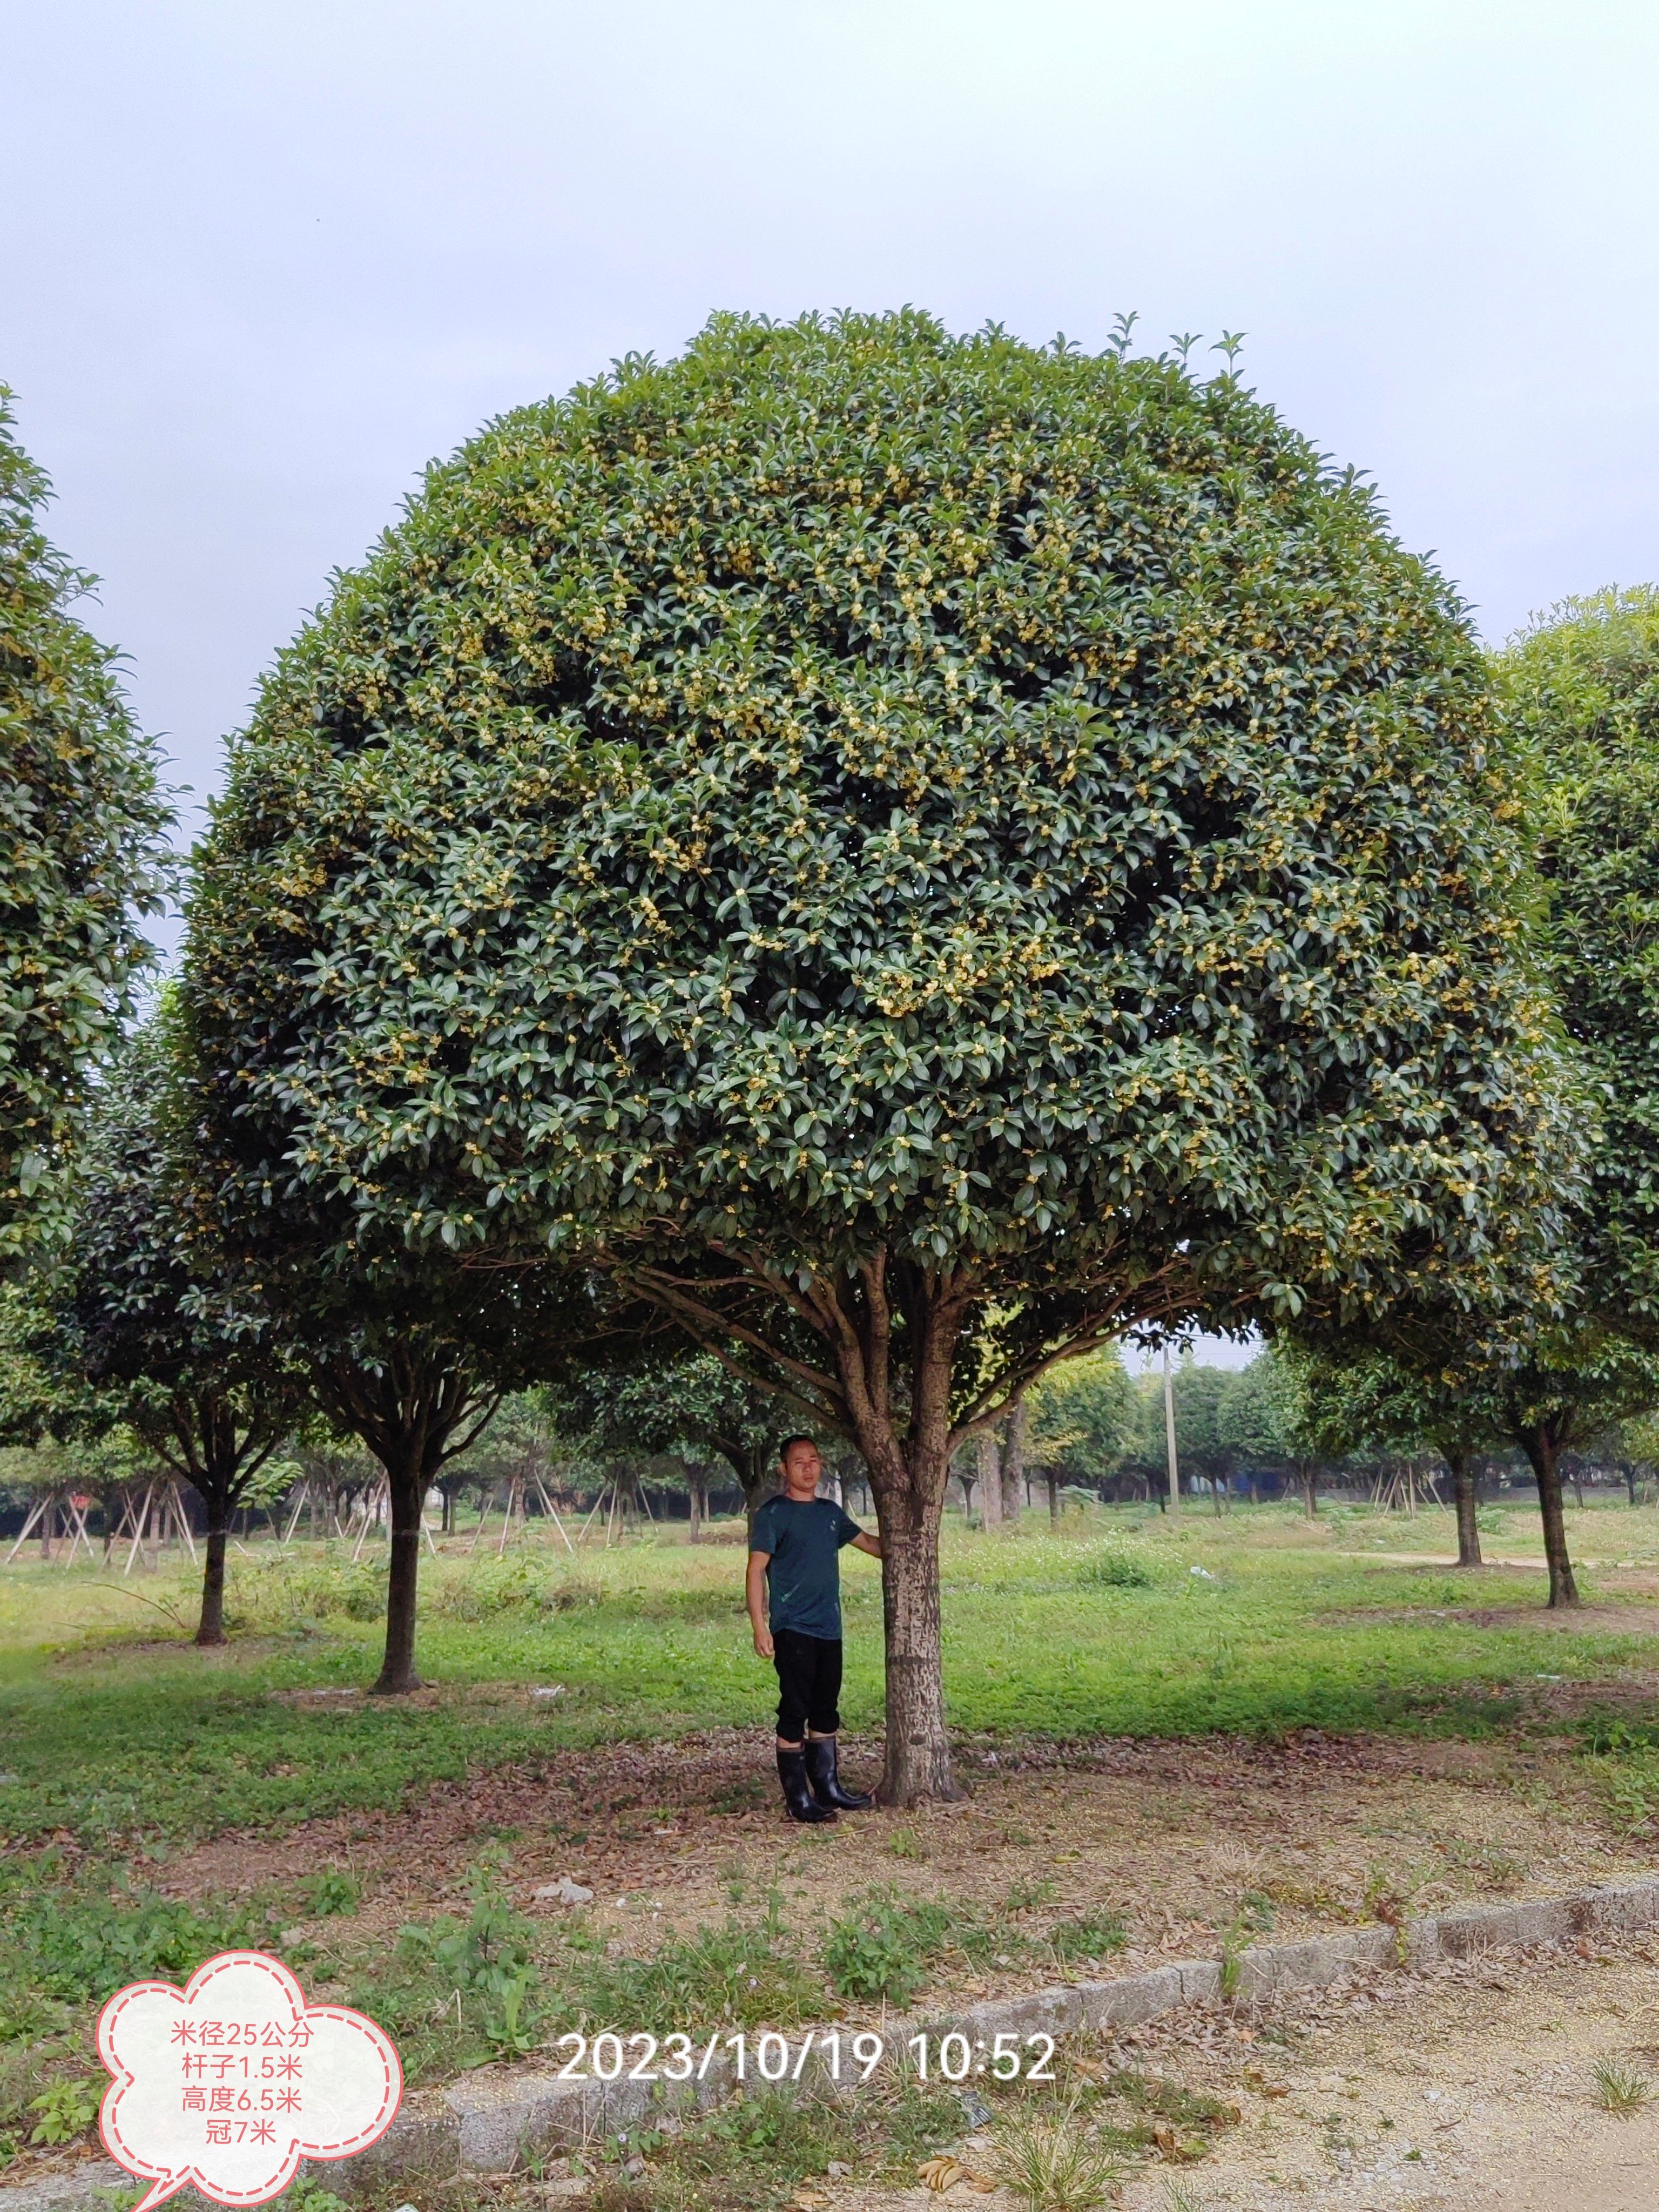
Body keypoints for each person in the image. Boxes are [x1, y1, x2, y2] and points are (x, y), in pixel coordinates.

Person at [746, 1434, 882, 1823]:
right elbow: (756, 1570)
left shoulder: (830, 1513)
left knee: (826, 1710)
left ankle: (828, 1788)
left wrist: (912, 1539)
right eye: (799, 1462)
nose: (809, 1468)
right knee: (795, 1709)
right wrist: (760, 1625)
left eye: (815, 1460)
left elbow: (871, 1545)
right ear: (784, 1470)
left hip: (829, 1627)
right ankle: (798, 1800)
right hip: (793, 1627)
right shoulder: (774, 1514)